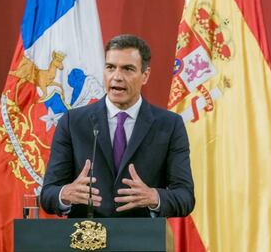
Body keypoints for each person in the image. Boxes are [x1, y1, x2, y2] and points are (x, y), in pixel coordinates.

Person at [40, 34, 195, 218]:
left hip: (141, 241)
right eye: (110, 67)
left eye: (128, 69)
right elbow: (48, 194)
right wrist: (65, 195)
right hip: (86, 240)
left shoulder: (169, 125)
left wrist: (154, 197)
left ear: (145, 76)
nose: (117, 77)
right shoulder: (72, 122)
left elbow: (185, 197)